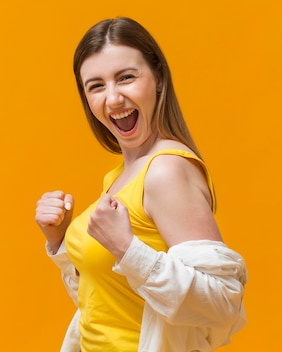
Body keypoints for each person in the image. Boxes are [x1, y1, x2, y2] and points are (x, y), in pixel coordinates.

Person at [34, 17, 247, 352]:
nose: (114, 98)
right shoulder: (119, 175)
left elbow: (222, 303)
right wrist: (59, 240)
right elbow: (105, 301)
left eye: (126, 78)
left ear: (158, 79)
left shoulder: (166, 171)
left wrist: (128, 249)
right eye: (97, 85)